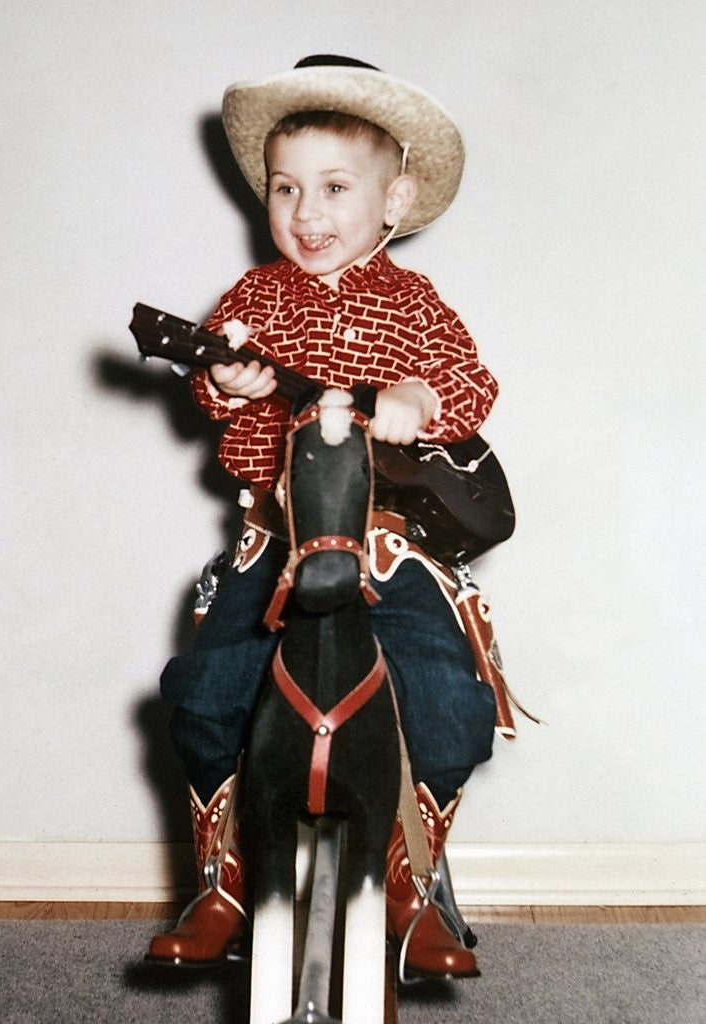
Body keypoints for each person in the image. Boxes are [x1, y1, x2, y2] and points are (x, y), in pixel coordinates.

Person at [148, 55, 500, 979]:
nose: (306, 213)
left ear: (394, 200)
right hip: (279, 543)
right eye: (285, 188)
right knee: (201, 691)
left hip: (390, 547)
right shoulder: (253, 303)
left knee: (451, 704)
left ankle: (410, 880)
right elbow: (221, 399)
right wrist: (224, 378)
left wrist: (420, 397)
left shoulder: (415, 303)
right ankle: (225, 879)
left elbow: (473, 383)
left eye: (335, 188)